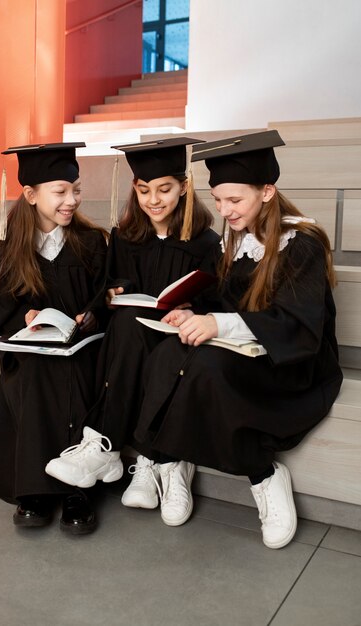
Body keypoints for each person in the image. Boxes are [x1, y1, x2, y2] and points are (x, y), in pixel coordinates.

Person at [128, 130, 343, 549]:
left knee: (206, 367)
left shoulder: (301, 244)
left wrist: (218, 325)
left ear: (267, 191)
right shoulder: (234, 242)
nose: (224, 211)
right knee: (169, 350)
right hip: (244, 351)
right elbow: (221, 300)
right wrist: (192, 313)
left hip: (291, 364)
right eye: (218, 199)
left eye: (235, 200)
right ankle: (171, 461)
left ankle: (263, 474)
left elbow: (296, 326)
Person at [45, 137, 221, 526]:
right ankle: (116, 449)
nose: (153, 200)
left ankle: (156, 458)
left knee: (158, 346)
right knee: (124, 323)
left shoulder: (208, 241)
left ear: (184, 187)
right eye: (143, 190)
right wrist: (109, 296)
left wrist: (192, 308)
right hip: (134, 335)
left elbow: (219, 302)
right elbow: (111, 290)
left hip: (180, 338)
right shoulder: (124, 238)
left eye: (164, 189)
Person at [0, 142, 108, 535]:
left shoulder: (91, 244)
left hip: (82, 350)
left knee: (74, 370)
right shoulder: (5, 255)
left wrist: (91, 314)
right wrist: (25, 318)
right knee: (36, 370)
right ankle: (35, 488)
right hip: (30, 356)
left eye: (76, 190)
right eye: (61, 192)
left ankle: (74, 487)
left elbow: (103, 300)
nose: (72, 200)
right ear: (30, 195)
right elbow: (0, 325)